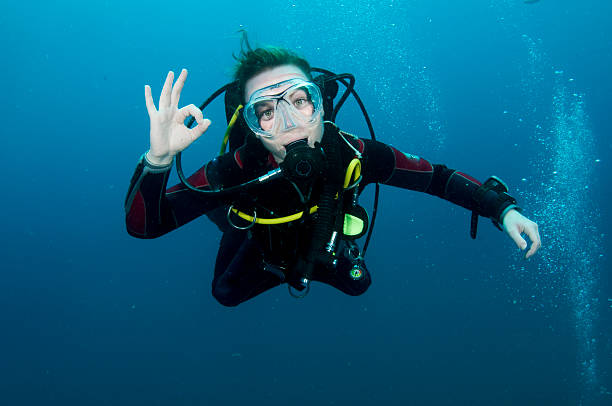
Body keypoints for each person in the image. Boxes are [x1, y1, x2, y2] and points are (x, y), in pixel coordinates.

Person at [124, 41, 541, 307]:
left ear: (321, 103)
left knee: (360, 286)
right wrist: (158, 159)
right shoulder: (235, 168)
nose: (287, 122)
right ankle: (244, 232)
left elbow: (435, 176)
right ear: (250, 125)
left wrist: (501, 208)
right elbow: (146, 226)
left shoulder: (352, 153)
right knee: (225, 293)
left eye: (299, 100)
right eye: (266, 112)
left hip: (328, 239)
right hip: (260, 241)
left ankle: (320, 260)